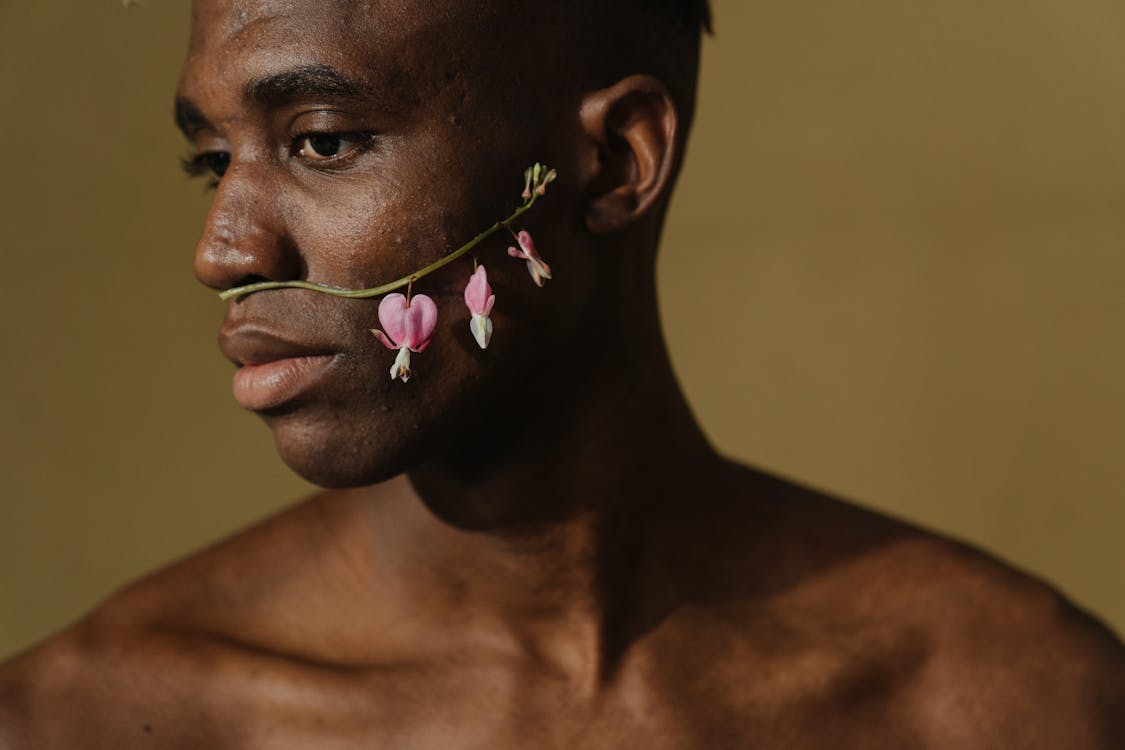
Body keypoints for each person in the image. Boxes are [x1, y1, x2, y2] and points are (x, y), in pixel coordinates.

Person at [1, 0, 1122, 746]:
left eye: (324, 140)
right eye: (212, 160)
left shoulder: (1010, 701)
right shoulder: (87, 720)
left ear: (615, 161)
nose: (225, 251)